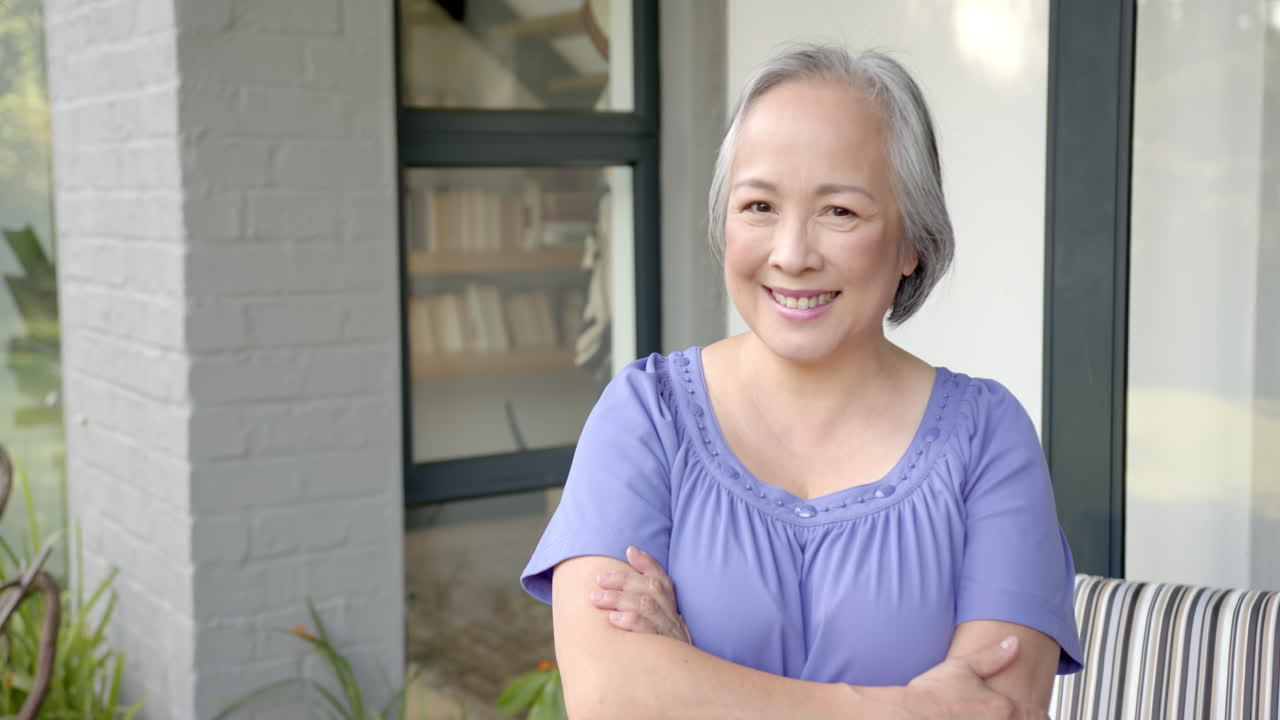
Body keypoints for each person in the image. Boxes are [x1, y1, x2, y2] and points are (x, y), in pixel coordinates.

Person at [520, 44, 1083, 719]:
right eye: (758, 206)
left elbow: (999, 709)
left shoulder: (988, 437)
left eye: (839, 212)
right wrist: (899, 709)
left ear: (912, 242)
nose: (791, 254)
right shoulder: (646, 416)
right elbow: (612, 699)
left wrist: (691, 670)